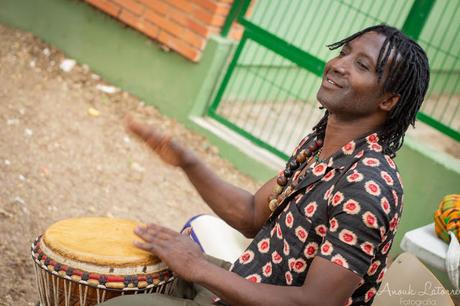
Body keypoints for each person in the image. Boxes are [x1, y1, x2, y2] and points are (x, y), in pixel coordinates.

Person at [101, 24, 430, 306]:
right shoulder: (318, 147)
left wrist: (198, 267)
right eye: (343, 52)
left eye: (361, 65)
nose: (338, 65)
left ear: (388, 100)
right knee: (121, 273)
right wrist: (187, 162)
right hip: (244, 280)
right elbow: (251, 215)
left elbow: (315, 302)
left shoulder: (368, 187)